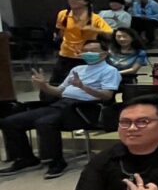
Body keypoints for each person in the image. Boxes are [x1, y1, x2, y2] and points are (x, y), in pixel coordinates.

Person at [0, 40, 121, 179]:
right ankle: (26, 158)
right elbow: (59, 91)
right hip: (61, 105)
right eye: (85, 51)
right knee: (10, 122)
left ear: (104, 54)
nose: (88, 54)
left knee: (45, 123)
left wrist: (83, 87)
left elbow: (107, 96)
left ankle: (56, 162)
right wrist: (44, 86)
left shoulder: (110, 71)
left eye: (93, 51)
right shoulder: (77, 70)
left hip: (84, 109)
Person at [52, 0, 113, 86]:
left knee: (84, 84)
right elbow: (61, 31)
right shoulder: (63, 14)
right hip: (65, 55)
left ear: (86, 2)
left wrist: (94, 30)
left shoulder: (95, 19)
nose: (72, 1)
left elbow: (111, 34)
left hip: (85, 57)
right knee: (57, 83)